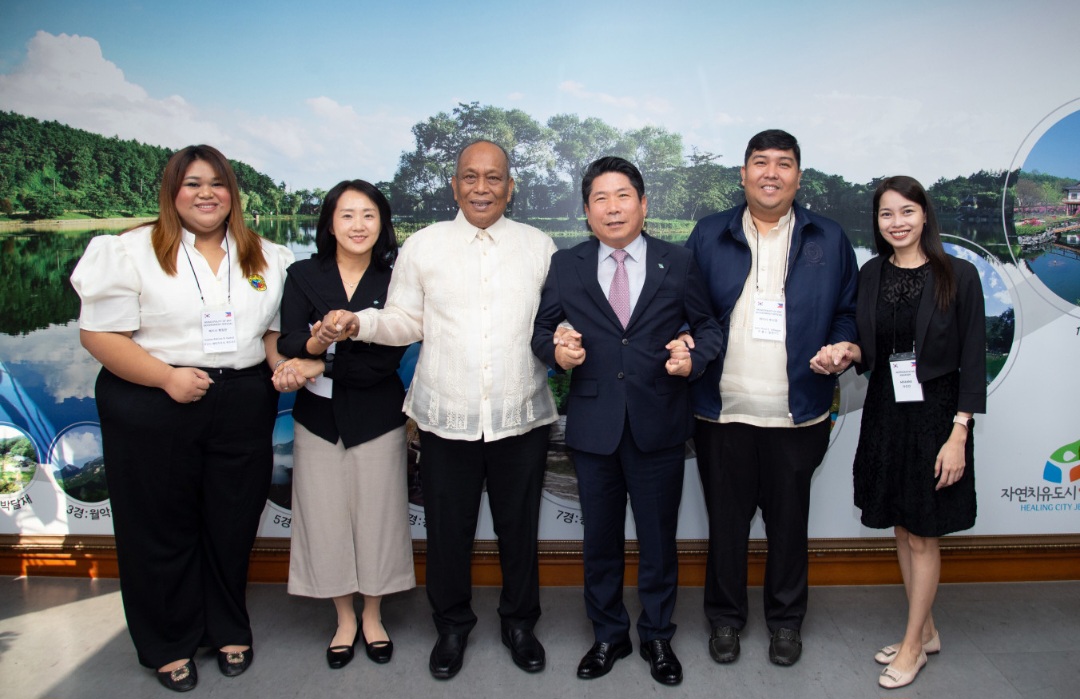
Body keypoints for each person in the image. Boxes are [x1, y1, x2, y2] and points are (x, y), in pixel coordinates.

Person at [323, 140, 557, 680]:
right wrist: (361, 322)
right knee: (448, 532)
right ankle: (451, 627)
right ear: (453, 186)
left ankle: (520, 624)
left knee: (517, 530)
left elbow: (553, 324)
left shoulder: (539, 247)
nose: (481, 187)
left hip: (520, 414)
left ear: (510, 186)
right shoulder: (424, 247)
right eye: (470, 177)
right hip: (444, 414)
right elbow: (406, 320)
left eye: (493, 177)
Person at [70, 145, 294, 692]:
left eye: (217, 183)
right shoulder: (128, 251)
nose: (206, 193)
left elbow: (270, 335)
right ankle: (168, 642)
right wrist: (165, 378)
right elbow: (98, 334)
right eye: (192, 183)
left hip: (242, 399)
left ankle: (226, 627)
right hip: (153, 398)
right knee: (158, 527)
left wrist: (285, 367)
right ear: (172, 191)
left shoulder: (270, 255)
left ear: (233, 194)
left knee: (232, 521)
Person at [532, 157, 722, 686]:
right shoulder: (567, 264)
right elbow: (542, 330)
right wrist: (557, 350)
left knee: (659, 540)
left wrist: (694, 358)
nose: (612, 207)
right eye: (599, 198)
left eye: (622, 196)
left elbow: (708, 328)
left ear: (642, 203)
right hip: (593, 426)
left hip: (659, 421)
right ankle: (608, 633)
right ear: (587, 210)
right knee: (600, 541)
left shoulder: (678, 261)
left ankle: (658, 635)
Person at [683, 129, 858, 667]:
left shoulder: (827, 238)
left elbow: (847, 312)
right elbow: (688, 310)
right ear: (743, 173)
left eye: (784, 164)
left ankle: (786, 622)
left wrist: (842, 346)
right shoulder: (709, 234)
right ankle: (725, 620)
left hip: (798, 413)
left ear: (798, 176)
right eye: (761, 162)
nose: (771, 173)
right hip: (722, 411)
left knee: (789, 528)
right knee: (727, 527)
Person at [810, 175, 985, 689]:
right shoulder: (871, 275)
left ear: (924, 215)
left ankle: (914, 647)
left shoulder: (958, 275)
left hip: (938, 417)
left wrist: (960, 434)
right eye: (887, 214)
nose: (897, 222)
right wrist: (843, 353)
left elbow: (973, 361)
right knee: (903, 528)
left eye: (907, 211)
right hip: (887, 412)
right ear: (878, 222)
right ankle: (924, 629)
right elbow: (869, 348)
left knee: (925, 533)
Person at [271, 180, 415, 670]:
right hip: (317, 419)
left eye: (369, 215)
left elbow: (384, 361)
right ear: (329, 222)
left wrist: (321, 364)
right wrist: (315, 348)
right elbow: (289, 341)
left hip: (378, 416)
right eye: (347, 215)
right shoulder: (302, 274)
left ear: (383, 223)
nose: (359, 225)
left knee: (379, 518)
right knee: (325, 518)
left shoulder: (396, 279)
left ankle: (373, 614)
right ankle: (343, 618)